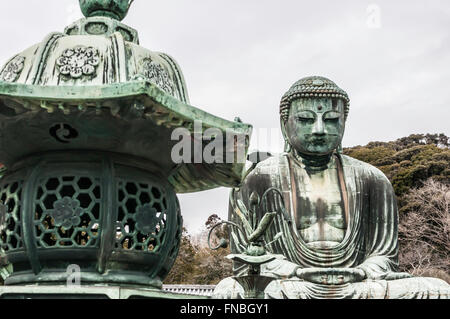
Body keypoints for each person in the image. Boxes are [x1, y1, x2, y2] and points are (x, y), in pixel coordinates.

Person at [213, 76, 449, 299]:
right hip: (292, 285)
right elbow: (246, 259)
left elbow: (385, 256)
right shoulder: (259, 177)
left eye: (331, 119)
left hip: (358, 285)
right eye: (305, 119)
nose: (318, 129)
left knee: (436, 289)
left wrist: (363, 271)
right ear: (285, 125)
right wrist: (296, 271)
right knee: (231, 291)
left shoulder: (372, 179)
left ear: (344, 123)